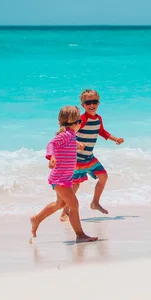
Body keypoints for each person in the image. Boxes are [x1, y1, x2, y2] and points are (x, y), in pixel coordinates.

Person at [29, 105, 98, 243]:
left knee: (60, 204)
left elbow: (66, 142)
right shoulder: (65, 135)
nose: (80, 124)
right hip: (60, 179)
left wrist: (77, 143)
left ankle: (36, 219)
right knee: (74, 205)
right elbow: (51, 144)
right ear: (73, 123)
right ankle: (80, 234)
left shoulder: (70, 136)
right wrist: (51, 156)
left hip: (64, 178)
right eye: (79, 122)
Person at [60, 89, 124, 222]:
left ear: (98, 103)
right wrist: (77, 142)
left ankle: (95, 202)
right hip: (77, 159)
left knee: (103, 176)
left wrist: (115, 139)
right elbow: (67, 132)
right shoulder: (81, 119)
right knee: (75, 186)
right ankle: (65, 211)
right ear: (83, 105)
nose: (91, 105)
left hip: (89, 157)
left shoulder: (98, 118)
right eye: (88, 102)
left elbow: (102, 131)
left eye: (94, 101)